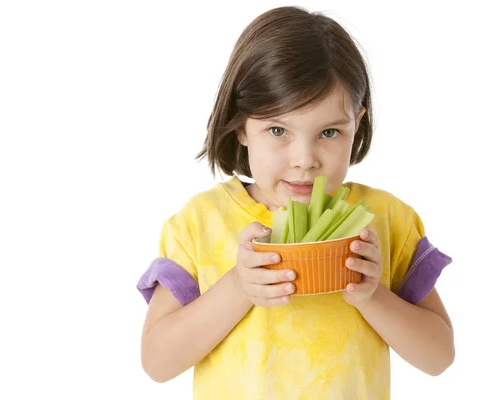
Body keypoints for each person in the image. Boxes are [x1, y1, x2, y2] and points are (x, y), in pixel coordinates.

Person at [137, 6, 454, 399]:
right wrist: (238, 286)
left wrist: (374, 297)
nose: (305, 159)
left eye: (329, 132)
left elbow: (439, 356)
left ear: (357, 123)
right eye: (277, 129)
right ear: (241, 127)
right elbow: (157, 362)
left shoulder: (384, 219)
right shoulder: (200, 222)